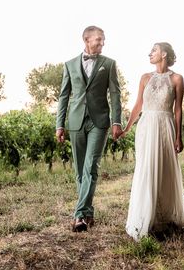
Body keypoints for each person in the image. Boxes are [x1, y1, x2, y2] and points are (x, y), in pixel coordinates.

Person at [121, 42, 184, 241]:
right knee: (146, 167)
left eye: (154, 50)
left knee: (165, 167)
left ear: (164, 54)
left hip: (165, 125)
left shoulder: (177, 79)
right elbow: (138, 104)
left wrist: (178, 137)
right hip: (146, 126)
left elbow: (178, 109)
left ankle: (165, 212)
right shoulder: (145, 78)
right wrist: (127, 128)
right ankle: (145, 214)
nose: (150, 53)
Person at [56, 25, 123, 232]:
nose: (102, 43)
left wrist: (116, 121)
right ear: (87, 40)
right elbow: (64, 96)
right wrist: (59, 124)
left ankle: (78, 215)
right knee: (79, 171)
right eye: (99, 40)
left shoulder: (109, 64)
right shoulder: (69, 65)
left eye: (103, 40)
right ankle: (87, 215)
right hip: (76, 122)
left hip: (99, 121)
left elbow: (115, 94)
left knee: (91, 167)